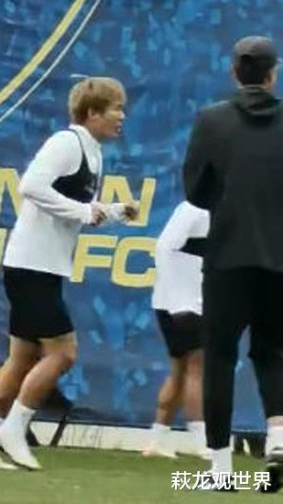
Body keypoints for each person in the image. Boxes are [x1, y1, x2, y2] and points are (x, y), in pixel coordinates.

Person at [0, 77, 139, 470]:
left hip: (42, 266)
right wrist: (83, 211)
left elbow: (76, 210)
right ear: (91, 113)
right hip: (31, 266)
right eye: (116, 109)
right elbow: (31, 186)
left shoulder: (93, 153)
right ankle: (13, 428)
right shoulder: (66, 143)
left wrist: (113, 212)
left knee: (22, 358)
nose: (122, 116)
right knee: (64, 353)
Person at [183, 35, 282, 493]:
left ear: (234, 72)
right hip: (279, 257)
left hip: (227, 255)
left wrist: (228, 202)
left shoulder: (211, 120)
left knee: (220, 357)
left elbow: (195, 191)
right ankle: (278, 438)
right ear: (272, 74)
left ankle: (221, 471)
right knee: (273, 352)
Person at [143, 201, 209, 460]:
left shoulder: (220, 210)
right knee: (196, 368)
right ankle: (203, 442)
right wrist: (177, 301)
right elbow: (162, 247)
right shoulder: (193, 209)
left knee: (180, 371)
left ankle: (157, 440)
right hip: (181, 306)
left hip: (187, 303)